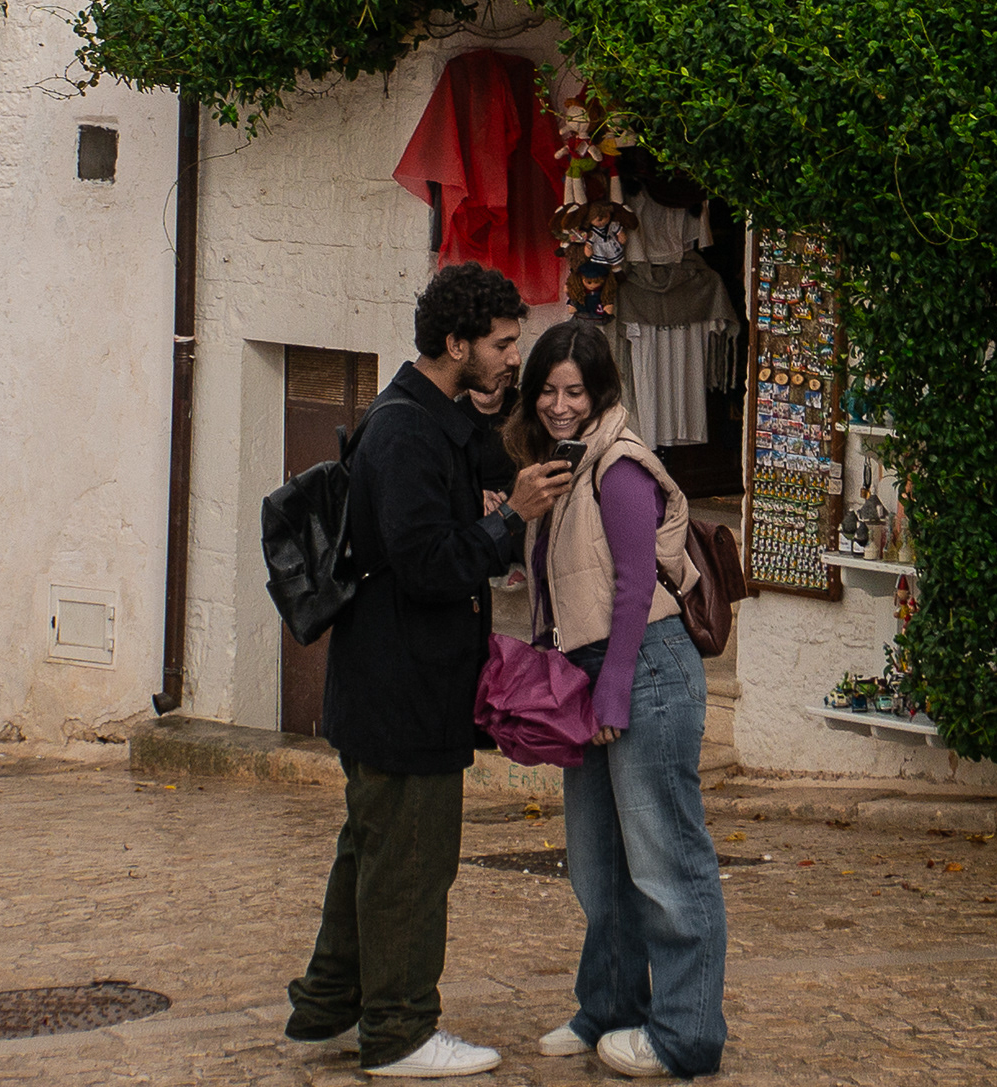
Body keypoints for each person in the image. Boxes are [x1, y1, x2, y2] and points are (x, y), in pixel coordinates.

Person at [289, 263, 573, 1077]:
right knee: (411, 862)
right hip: (400, 686)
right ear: (456, 344)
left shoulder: (435, 412)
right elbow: (425, 565)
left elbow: (490, 453)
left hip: (401, 683)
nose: (512, 357)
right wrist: (506, 520)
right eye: (503, 343)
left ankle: (328, 1005)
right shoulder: (405, 431)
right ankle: (401, 1032)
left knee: (372, 850)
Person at [509, 320, 726, 1079]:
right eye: (547, 390)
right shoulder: (560, 465)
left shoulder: (622, 466)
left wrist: (613, 694)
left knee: (667, 861)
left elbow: (634, 588)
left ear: (600, 391)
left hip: (644, 672)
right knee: (599, 863)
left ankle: (686, 1035)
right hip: (592, 674)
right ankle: (608, 1007)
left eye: (574, 390)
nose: (559, 404)